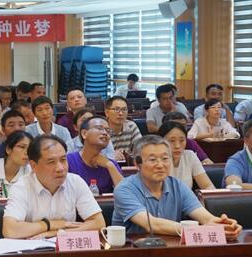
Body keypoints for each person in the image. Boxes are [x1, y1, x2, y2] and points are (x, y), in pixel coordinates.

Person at [112, 137, 241, 239]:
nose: (160, 165)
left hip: (171, 248)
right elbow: (151, 224)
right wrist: (199, 231)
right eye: (152, 160)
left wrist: (223, 225)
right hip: (134, 252)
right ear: (137, 164)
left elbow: (205, 218)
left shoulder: (177, 185)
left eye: (165, 158)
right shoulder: (124, 189)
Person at [1, 134, 103, 238]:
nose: (60, 168)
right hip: (33, 247)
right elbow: (10, 230)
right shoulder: (21, 187)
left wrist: (56, 233)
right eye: (51, 162)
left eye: (63, 160)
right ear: (33, 165)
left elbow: (99, 223)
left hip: (65, 246)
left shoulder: (75, 181)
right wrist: (49, 224)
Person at [66, 116, 123, 195]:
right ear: (84, 133)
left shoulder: (111, 164)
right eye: (99, 128)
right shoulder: (68, 161)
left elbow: (125, 194)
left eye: (108, 130)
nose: (105, 133)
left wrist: (110, 166)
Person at [160, 122, 214, 191]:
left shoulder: (190, 156)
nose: (177, 146)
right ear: (161, 141)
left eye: (182, 140)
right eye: (172, 141)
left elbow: (207, 186)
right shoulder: (157, 160)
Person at [103, 95, 142, 161]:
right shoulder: (101, 129)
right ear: (106, 112)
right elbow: (94, 154)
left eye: (124, 109)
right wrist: (110, 155)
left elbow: (141, 148)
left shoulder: (131, 126)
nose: (121, 113)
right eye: (116, 109)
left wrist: (127, 155)